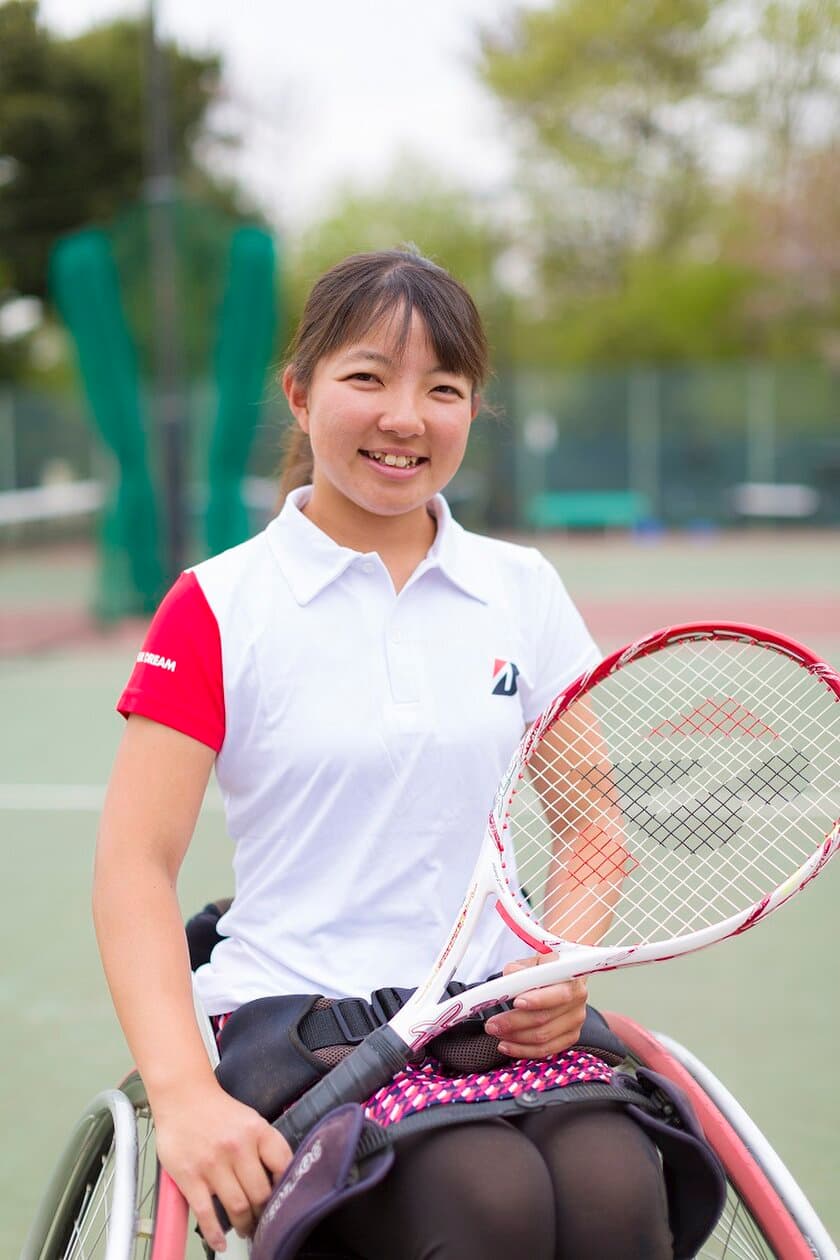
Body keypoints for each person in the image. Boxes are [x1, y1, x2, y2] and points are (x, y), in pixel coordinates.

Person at [94, 248, 674, 1259]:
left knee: (618, 1189)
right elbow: (133, 867)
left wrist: (562, 964)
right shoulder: (219, 605)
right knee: (487, 1200)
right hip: (302, 1026)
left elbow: (593, 825)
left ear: (470, 412)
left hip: (488, 1016)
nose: (404, 418)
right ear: (300, 391)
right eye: (368, 378)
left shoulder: (521, 590)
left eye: (442, 390)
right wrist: (184, 1095)